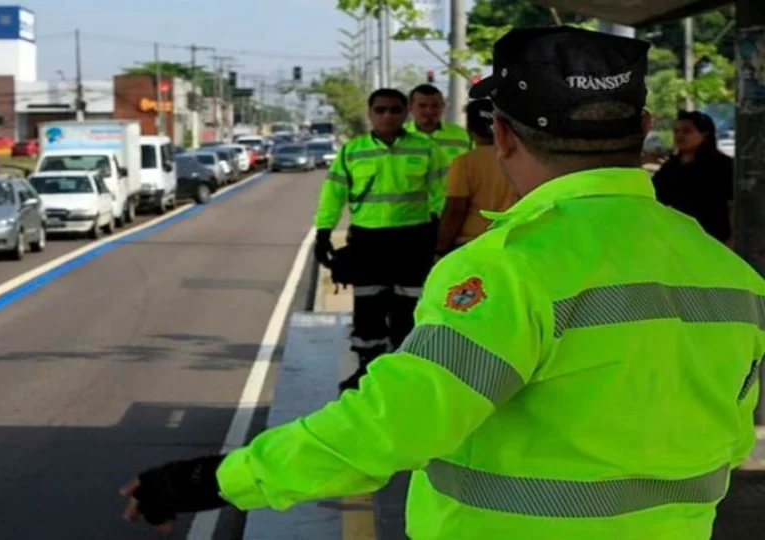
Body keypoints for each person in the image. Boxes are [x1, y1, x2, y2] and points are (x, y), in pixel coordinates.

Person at [121, 26, 765, 539]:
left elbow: (391, 425)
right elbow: (732, 441)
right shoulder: (729, 273)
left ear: (502, 134)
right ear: (644, 125)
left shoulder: (509, 267)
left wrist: (222, 478)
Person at [312, 88, 447, 393]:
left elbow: (442, 192)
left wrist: (439, 231)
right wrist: (322, 232)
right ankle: (366, 370)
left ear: (405, 113)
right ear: (370, 113)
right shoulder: (352, 151)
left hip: (413, 240)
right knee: (368, 307)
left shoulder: (426, 149)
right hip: (367, 242)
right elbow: (333, 194)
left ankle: (404, 373)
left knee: (409, 308)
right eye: (381, 110)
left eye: (395, 110)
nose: (388, 115)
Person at [435, 98, 518, 256]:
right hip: (509, 240)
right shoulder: (518, 160)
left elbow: (455, 210)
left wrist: (441, 248)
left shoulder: (464, 163)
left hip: (470, 244)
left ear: (470, 129)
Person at [652, 110, 734, 245]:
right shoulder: (670, 167)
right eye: (676, 131)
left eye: (687, 131)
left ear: (704, 134)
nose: (680, 136)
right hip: (674, 238)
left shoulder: (721, 165)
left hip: (711, 238)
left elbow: (732, 203)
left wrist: (732, 238)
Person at [405, 84, 472, 169]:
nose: (429, 111)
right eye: (422, 106)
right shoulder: (397, 136)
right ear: (410, 107)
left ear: (443, 106)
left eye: (435, 106)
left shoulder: (463, 135)